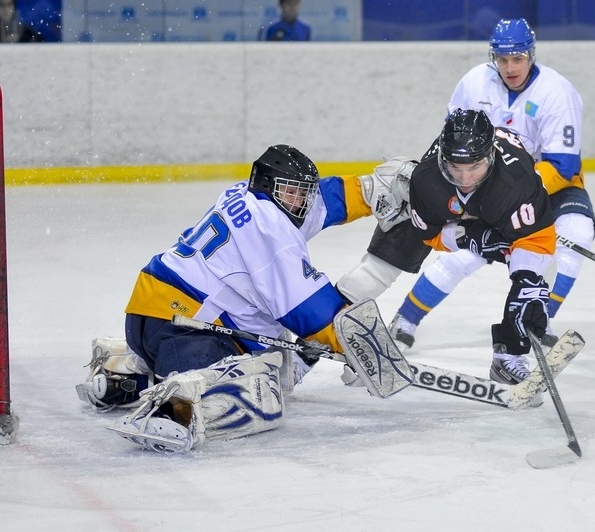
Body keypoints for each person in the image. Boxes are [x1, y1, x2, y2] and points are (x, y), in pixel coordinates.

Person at [76, 144, 414, 452]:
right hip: (190, 333)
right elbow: (311, 311)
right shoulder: (272, 235)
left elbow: (322, 201)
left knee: (269, 360)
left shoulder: (244, 194)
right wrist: (360, 349)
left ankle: (125, 372)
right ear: (268, 185)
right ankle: (175, 408)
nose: (300, 201)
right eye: (292, 192)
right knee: (263, 390)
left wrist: (368, 190)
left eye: (302, 192)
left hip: (148, 317)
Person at [337, 18, 595, 355]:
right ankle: (407, 318)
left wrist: (516, 201)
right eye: (502, 59)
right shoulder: (475, 83)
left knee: (575, 235)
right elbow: (451, 142)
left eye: (517, 58)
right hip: (483, 185)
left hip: (551, 188)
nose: (509, 67)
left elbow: (563, 166)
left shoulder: (557, 93)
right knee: (464, 251)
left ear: (531, 55)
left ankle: (538, 323)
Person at [403, 108, 556, 384]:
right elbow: (428, 235)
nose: (465, 179)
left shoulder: (517, 179)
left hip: (505, 204)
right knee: (455, 260)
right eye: (455, 167)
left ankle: (508, 356)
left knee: (531, 285)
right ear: (443, 159)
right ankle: (405, 316)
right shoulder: (425, 179)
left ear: (491, 157)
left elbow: (537, 238)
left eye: (474, 167)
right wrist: (466, 236)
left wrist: (528, 281)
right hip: (477, 210)